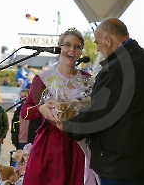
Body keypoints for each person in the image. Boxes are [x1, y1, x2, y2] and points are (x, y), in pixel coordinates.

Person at [41, 18, 144, 185]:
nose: (98, 47)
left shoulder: (116, 67)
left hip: (119, 162)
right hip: (143, 156)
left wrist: (69, 125)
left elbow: (100, 112)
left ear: (108, 40)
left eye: (98, 42)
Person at [20, 28, 98, 185]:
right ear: (59, 46)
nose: (72, 50)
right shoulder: (43, 78)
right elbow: (25, 111)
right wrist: (40, 109)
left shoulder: (87, 79)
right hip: (51, 145)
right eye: (67, 45)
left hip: (79, 143)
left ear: (81, 51)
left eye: (77, 46)